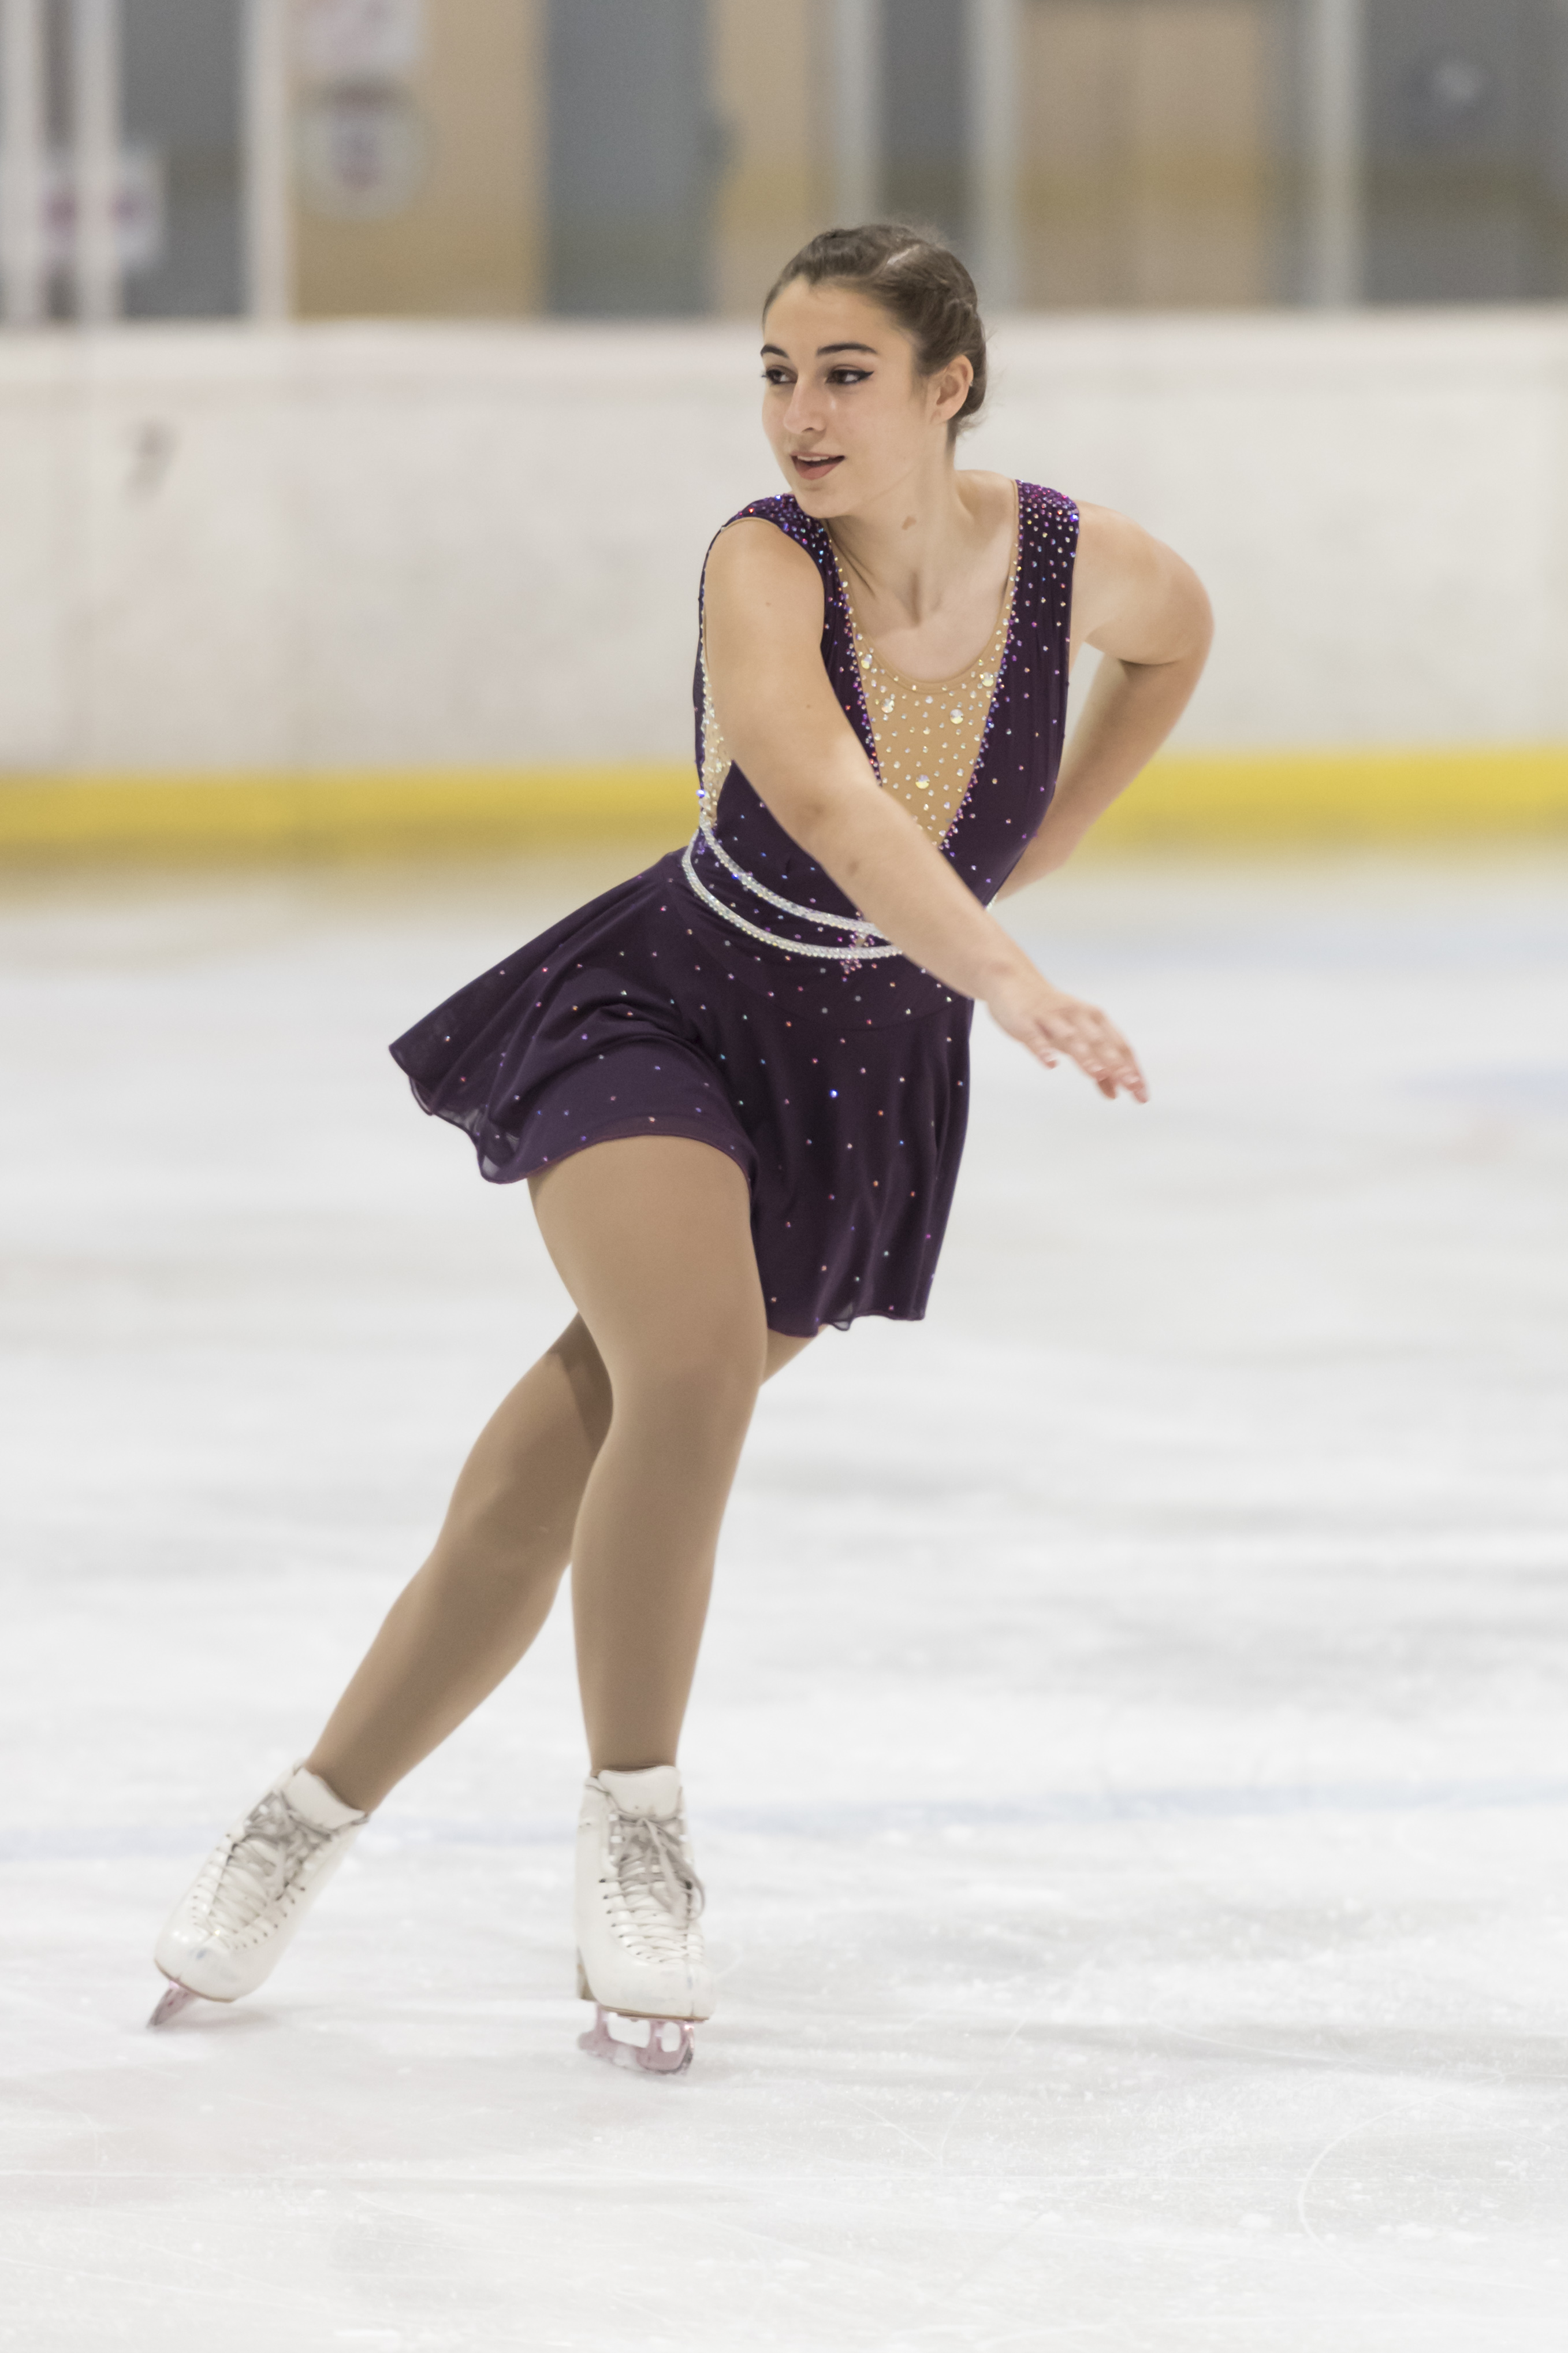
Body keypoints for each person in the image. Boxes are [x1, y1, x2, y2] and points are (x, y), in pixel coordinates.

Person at [150, 224, 1211, 2075]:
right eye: (777, 372)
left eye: (845, 374)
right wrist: (1005, 959)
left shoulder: (1073, 561)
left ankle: (302, 1816)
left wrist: (1042, 834)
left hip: (857, 1071)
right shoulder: (759, 557)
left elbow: (1179, 635)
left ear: (947, 382)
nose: (800, 412)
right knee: (697, 1368)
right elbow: (821, 796)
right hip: (662, 1007)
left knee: (541, 1476)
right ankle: (636, 1830)